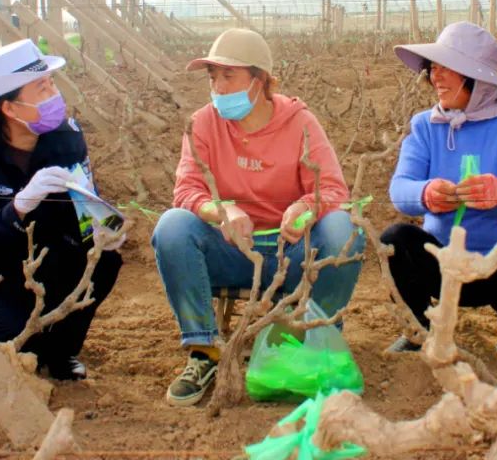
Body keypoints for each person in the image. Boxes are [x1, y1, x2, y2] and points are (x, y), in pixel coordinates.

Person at [151, 28, 364, 406]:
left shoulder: (300, 123)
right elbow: (186, 191)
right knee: (172, 226)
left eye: (228, 76)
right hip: (232, 251)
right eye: (213, 77)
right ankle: (204, 352)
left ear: (260, 80)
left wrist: (304, 208)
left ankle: (312, 340)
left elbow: (331, 189)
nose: (217, 86)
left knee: (344, 227)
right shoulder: (203, 123)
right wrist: (223, 211)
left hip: (292, 252)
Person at [0, 39, 123, 381]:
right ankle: (24, 347)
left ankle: (61, 353)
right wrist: (19, 207)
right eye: (42, 88)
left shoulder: (66, 139)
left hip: (43, 257)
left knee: (103, 262)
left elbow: (84, 200)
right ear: (10, 109)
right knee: (8, 340)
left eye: (52, 84)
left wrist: (102, 227)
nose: (54, 95)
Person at [384, 22, 497, 357]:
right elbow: (399, 190)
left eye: (447, 68)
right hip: (446, 262)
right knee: (396, 240)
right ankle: (418, 331)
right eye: (433, 68)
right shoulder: (425, 126)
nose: (436, 77)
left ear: (478, 79)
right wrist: (427, 193)